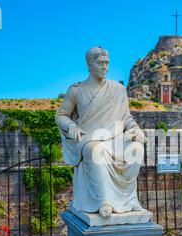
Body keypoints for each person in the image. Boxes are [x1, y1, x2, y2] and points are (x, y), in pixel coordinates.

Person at [55, 47, 145, 218]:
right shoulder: (76, 90)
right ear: (90, 65)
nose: (105, 67)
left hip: (115, 137)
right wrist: (71, 126)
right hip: (89, 138)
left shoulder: (118, 89)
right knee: (96, 150)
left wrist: (135, 129)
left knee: (137, 149)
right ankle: (103, 201)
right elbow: (61, 115)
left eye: (107, 63)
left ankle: (128, 199)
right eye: (100, 63)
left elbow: (126, 117)